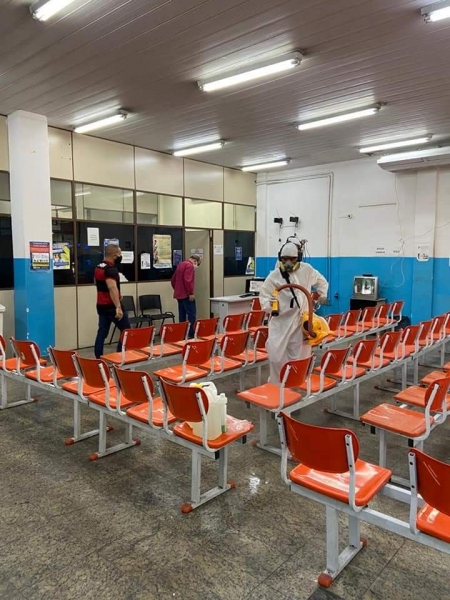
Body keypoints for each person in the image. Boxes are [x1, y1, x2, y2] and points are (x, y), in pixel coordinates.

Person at [259, 242, 329, 383]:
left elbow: (321, 281)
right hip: (281, 322)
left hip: (300, 321)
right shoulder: (275, 276)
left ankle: (296, 382)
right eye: (284, 259)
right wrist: (270, 306)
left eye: (292, 259)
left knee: (300, 355)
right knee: (276, 355)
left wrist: (322, 295)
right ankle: (277, 384)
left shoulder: (307, 270)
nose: (288, 263)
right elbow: (263, 295)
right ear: (280, 258)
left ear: (299, 258)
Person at [93, 244, 130, 359]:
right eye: (119, 254)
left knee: (102, 333)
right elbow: (112, 287)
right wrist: (118, 306)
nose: (120, 256)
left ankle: (98, 358)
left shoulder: (99, 267)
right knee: (126, 331)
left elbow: (96, 282)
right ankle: (120, 356)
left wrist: (117, 293)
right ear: (114, 256)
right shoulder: (111, 269)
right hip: (111, 306)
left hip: (101, 305)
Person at [171, 254, 201, 338]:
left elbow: (173, 280)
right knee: (191, 315)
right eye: (197, 264)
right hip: (187, 295)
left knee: (182, 315)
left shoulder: (181, 264)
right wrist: (190, 293)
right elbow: (188, 281)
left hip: (179, 295)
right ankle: (191, 334)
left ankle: (182, 334)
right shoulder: (189, 266)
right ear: (195, 261)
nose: (196, 266)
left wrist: (177, 289)